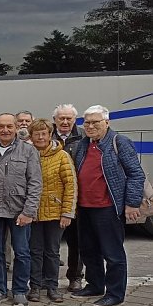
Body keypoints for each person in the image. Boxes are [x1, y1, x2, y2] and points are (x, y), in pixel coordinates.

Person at [70, 105, 145, 306]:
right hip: (84, 207)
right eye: (87, 122)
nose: (91, 126)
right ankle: (95, 285)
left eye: (96, 122)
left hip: (108, 207)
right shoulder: (83, 145)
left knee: (112, 253)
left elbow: (136, 174)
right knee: (88, 250)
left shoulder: (119, 142)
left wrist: (131, 203)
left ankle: (115, 293)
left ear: (107, 123)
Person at [0, 113, 42, 306]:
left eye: (9, 126)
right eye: (1, 127)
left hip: (19, 211)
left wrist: (29, 211)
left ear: (16, 128)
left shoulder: (28, 151)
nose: (5, 130)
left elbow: (35, 182)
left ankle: (20, 291)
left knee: (22, 253)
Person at [27, 119, 77, 304]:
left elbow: (71, 185)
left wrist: (67, 213)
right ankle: (35, 287)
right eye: (36, 134)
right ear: (31, 137)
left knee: (52, 252)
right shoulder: (28, 155)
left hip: (56, 213)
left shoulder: (62, 156)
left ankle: (52, 287)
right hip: (33, 213)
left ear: (50, 135)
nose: (40, 137)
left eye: (44, 133)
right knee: (35, 251)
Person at [52, 103, 85, 291]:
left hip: (76, 198)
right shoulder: (47, 137)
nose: (65, 122)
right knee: (51, 243)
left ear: (74, 120)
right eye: (61, 118)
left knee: (76, 241)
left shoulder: (84, 138)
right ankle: (49, 279)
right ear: (55, 120)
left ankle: (75, 276)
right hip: (53, 199)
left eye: (69, 118)